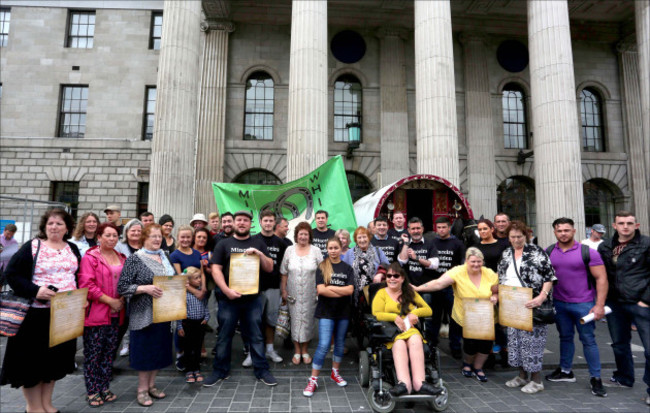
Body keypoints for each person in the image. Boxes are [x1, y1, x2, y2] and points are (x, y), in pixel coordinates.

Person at [0, 208, 82, 413]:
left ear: (67, 228)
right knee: (32, 363)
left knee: (53, 362)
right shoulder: (33, 246)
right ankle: (34, 407)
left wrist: (81, 297)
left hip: (64, 314)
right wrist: (36, 291)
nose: (54, 227)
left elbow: (77, 276)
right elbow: (12, 274)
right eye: (50, 223)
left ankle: (47, 404)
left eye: (59, 224)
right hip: (35, 314)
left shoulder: (72, 248)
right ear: (45, 226)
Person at [205, 210, 277, 387]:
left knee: (256, 336)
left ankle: (262, 370)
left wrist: (259, 254)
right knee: (224, 335)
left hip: (252, 298)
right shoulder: (224, 244)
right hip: (228, 299)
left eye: (246, 220)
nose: (242, 223)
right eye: (239, 220)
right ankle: (220, 371)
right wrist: (226, 290)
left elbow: (269, 267)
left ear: (250, 224)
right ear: (234, 223)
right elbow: (215, 269)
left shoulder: (258, 243)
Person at [544, 217, 608, 397]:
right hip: (559, 303)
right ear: (555, 232)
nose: (563, 233)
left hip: (584, 304)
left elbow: (601, 279)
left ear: (574, 231)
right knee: (565, 337)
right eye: (559, 230)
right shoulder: (548, 251)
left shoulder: (588, 252)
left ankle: (596, 377)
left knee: (588, 340)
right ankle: (565, 371)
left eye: (566, 230)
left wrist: (599, 305)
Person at [416, 248, 498, 382]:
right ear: (466, 261)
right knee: (470, 344)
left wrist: (495, 297)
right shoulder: (458, 271)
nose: (476, 265)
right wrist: (418, 288)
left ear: (483, 261)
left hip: (486, 316)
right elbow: (438, 283)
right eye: (473, 262)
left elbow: (496, 291)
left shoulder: (489, 273)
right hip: (465, 315)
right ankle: (467, 364)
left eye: (479, 261)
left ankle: (478, 368)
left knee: (485, 344)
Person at [117, 224, 175, 407]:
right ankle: (142, 389)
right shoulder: (135, 259)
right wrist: (144, 288)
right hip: (144, 314)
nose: (157, 239)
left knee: (159, 350)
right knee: (145, 352)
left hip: (164, 313)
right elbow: (122, 287)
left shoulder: (164, 256)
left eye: (159, 236)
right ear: (144, 239)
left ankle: (152, 385)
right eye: (153, 236)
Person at [598, 211, 650, 406]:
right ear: (614, 225)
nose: (625, 226)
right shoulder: (606, 246)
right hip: (615, 303)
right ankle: (624, 377)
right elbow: (601, 275)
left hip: (640, 303)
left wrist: (645, 300)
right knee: (619, 344)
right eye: (621, 223)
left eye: (629, 223)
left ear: (636, 225)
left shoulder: (646, 244)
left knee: (649, 349)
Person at [497, 220, 556, 394]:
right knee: (515, 341)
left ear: (526, 235)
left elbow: (549, 276)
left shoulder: (536, 252)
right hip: (512, 303)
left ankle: (537, 380)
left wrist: (541, 296)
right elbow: (501, 276)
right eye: (513, 237)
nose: (516, 240)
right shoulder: (506, 253)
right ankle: (522, 375)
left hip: (532, 302)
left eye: (519, 236)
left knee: (533, 343)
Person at [372, 262, 441, 396]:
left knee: (415, 339)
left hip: (409, 328)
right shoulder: (381, 293)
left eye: (395, 275)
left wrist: (415, 314)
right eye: (389, 276)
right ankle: (404, 384)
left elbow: (428, 310)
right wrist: (394, 317)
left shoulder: (410, 292)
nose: (392, 278)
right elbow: (376, 313)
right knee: (399, 344)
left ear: (402, 278)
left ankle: (419, 383)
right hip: (391, 330)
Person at [78, 223, 126, 407]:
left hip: (116, 313)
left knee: (108, 353)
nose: (112, 239)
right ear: (99, 237)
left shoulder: (121, 257)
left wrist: (120, 299)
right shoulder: (90, 257)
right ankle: (92, 390)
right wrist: (110, 301)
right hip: (97, 313)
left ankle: (104, 387)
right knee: (93, 354)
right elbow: (87, 285)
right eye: (108, 235)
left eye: (115, 235)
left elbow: (126, 281)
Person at [303, 237, 354, 397]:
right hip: (326, 311)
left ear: (341, 248)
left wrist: (330, 287)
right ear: (327, 249)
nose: (333, 251)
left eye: (336, 248)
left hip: (343, 311)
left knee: (339, 344)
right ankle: (313, 379)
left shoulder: (347, 268)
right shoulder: (322, 267)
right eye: (330, 248)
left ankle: (335, 372)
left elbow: (350, 291)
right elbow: (321, 290)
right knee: (324, 345)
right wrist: (339, 290)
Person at [280, 221, 323, 365]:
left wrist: (320, 289)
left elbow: (322, 272)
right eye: (300, 234)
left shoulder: (316, 250)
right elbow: (284, 272)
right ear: (296, 236)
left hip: (311, 293)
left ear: (309, 236)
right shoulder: (289, 250)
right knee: (295, 321)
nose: (303, 237)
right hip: (293, 294)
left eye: (305, 234)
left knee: (308, 322)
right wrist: (284, 290)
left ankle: (305, 350)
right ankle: (296, 350)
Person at [250, 210, 287, 365]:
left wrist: (283, 289)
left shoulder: (280, 243)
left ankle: (270, 350)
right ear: (260, 222)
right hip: (255, 286)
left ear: (274, 223)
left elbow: (283, 268)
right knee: (254, 320)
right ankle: (253, 353)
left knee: (271, 320)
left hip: (273, 286)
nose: (267, 223)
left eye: (270, 220)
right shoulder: (252, 240)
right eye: (265, 220)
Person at [397, 217, 440, 347]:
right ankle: (411, 340)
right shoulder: (404, 244)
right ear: (408, 230)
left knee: (427, 316)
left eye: (418, 228)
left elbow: (434, 264)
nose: (415, 231)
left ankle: (429, 342)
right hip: (408, 288)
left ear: (422, 229)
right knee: (408, 314)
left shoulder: (430, 243)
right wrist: (405, 244)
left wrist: (417, 258)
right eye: (413, 228)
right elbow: (401, 261)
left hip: (425, 288)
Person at [170, 225, 207, 371]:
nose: (185, 239)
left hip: (198, 294)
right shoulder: (175, 255)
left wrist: (203, 288)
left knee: (195, 326)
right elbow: (180, 278)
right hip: (182, 294)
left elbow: (202, 273)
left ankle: (193, 354)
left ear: (192, 238)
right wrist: (195, 292)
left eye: (188, 237)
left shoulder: (197, 253)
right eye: (182, 237)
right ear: (178, 238)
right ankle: (180, 354)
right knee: (182, 326)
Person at [430, 216, 465, 360]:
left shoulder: (457, 243)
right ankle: (432, 344)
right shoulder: (432, 242)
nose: (441, 230)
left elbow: (462, 264)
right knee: (435, 317)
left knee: (454, 318)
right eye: (439, 227)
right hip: (436, 285)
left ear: (449, 227)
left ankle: (455, 346)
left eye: (444, 227)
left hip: (452, 287)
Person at [113, 219, 143, 358]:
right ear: (126, 232)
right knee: (121, 326)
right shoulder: (119, 246)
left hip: (142, 293)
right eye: (133, 230)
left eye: (139, 230)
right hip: (123, 293)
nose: (136, 233)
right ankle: (110, 358)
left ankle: (136, 354)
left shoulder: (145, 246)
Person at [177, 266, 209, 384]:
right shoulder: (184, 294)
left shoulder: (201, 293)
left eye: (200, 277)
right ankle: (189, 370)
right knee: (188, 348)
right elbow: (180, 311)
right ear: (188, 281)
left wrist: (206, 317)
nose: (200, 280)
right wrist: (180, 326)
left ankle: (196, 369)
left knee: (197, 347)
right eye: (196, 278)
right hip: (188, 324)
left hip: (199, 324)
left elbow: (205, 306)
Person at [343, 226, 389, 301]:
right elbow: (344, 271)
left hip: (375, 291)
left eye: (364, 237)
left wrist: (380, 274)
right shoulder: (350, 253)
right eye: (359, 238)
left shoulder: (377, 251)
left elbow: (387, 266)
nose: (362, 240)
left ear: (369, 238)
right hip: (355, 293)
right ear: (355, 240)